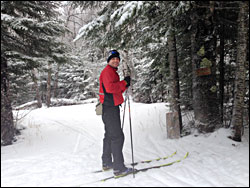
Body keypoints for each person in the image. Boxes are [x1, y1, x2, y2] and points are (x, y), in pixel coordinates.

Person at [99, 50, 133, 177]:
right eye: (112, 59)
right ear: (108, 61)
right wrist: (124, 83)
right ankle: (119, 168)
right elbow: (110, 88)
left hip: (109, 108)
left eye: (117, 59)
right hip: (110, 109)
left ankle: (107, 162)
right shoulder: (108, 72)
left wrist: (124, 84)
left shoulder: (112, 72)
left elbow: (114, 88)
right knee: (117, 137)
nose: (115, 60)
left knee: (109, 135)